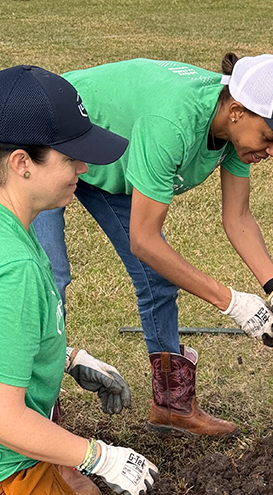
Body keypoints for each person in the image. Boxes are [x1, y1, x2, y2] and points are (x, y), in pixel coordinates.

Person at [32, 54, 273, 438]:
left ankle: (172, 406)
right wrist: (234, 303)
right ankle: (35, 422)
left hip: (113, 159)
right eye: (270, 138)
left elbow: (237, 218)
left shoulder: (232, 128)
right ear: (237, 111)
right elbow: (144, 240)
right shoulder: (172, 123)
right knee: (46, 280)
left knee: (158, 280)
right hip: (47, 139)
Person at [0, 65, 157, 495]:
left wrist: (62, 356)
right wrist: (100, 456)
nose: (84, 168)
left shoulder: (13, 229)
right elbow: (5, 419)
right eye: (70, 158)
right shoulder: (15, 266)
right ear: (21, 164)